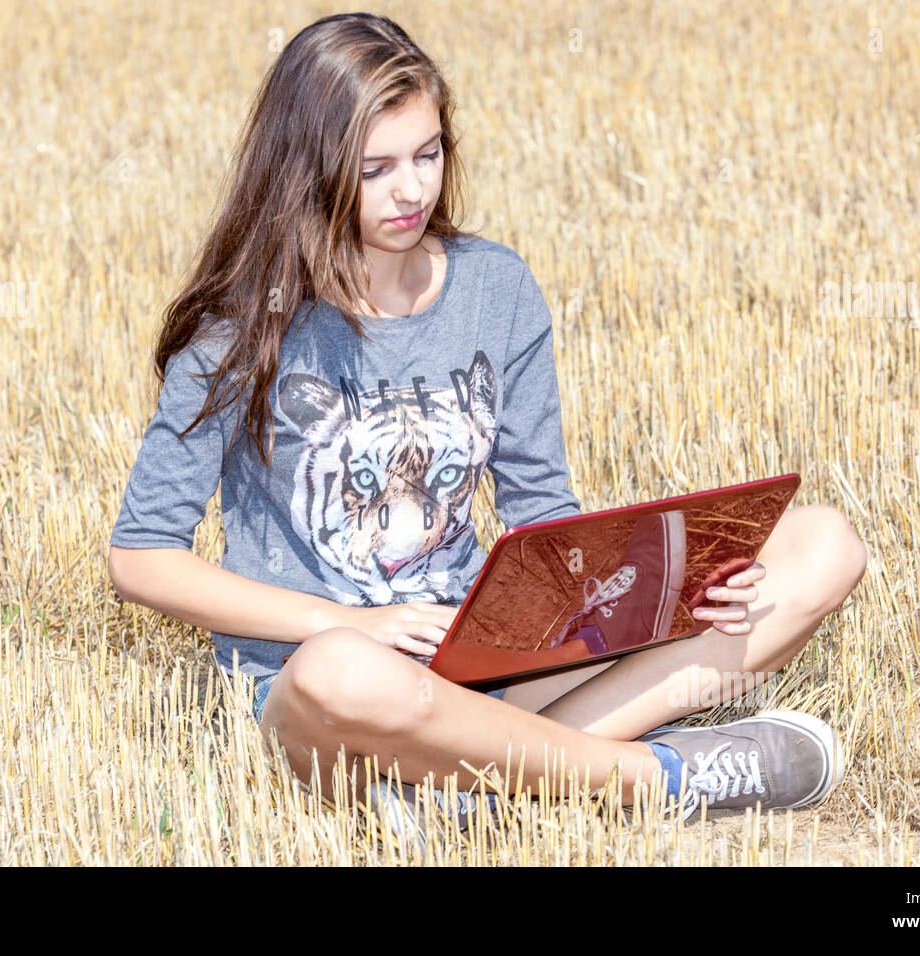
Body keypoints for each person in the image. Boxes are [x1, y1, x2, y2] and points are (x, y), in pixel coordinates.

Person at [106, 12, 868, 837]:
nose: (412, 190)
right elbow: (140, 555)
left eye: (428, 154)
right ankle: (654, 774)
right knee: (345, 675)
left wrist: (674, 591)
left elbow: (544, 513)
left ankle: (475, 794)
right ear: (308, 169)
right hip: (324, 687)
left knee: (823, 547)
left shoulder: (496, 288)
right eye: (376, 168)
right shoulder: (240, 327)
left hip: (488, 655)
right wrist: (350, 624)